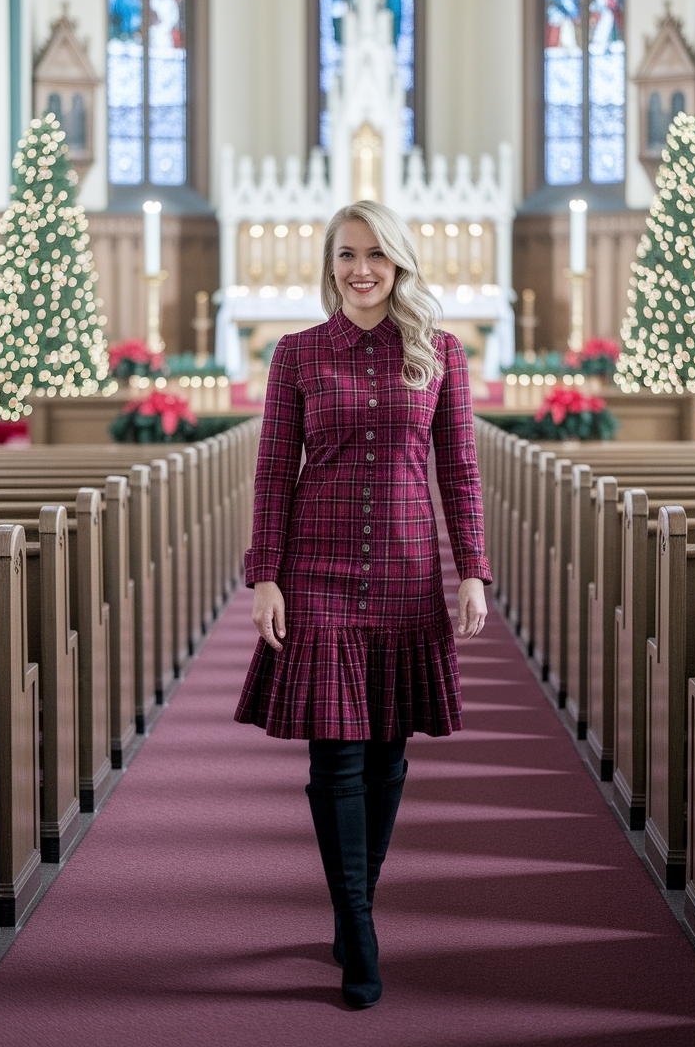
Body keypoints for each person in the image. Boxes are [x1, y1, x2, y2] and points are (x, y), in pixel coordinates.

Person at [234, 200, 490, 1009]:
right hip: (317, 568)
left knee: (386, 754)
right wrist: (265, 574)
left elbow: (460, 471)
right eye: (347, 254)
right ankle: (358, 923)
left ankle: (357, 906)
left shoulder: (440, 352)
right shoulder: (297, 354)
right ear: (331, 265)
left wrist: (472, 571)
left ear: (400, 262)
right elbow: (273, 470)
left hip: (410, 569)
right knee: (335, 758)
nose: (361, 269)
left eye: (376, 254)